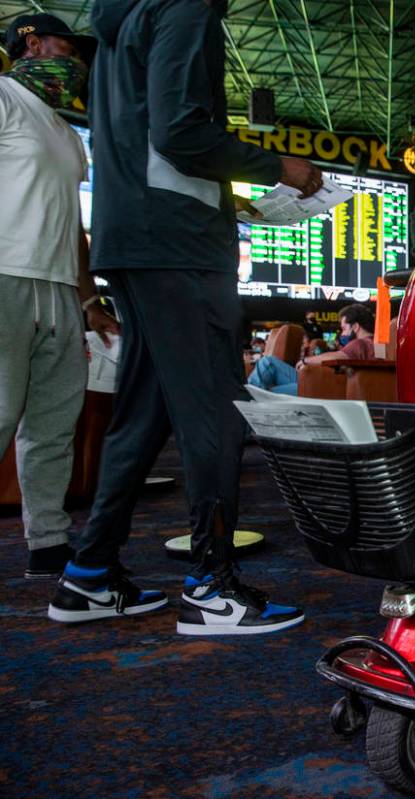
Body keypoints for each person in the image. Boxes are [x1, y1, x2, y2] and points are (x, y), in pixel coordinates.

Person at [48, 0, 323, 633]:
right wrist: (279, 167)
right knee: (217, 413)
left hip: (134, 231)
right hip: (177, 242)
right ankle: (212, 586)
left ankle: (89, 573)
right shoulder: (188, 7)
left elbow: (151, 136)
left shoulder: (121, 23)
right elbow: (179, 134)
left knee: (142, 412)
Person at [0, 14, 122, 579]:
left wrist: (89, 298)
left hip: (58, 290)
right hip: (5, 274)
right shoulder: (2, 97)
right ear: (31, 43)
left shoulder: (67, 133)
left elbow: (72, 223)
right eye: (67, 50)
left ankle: (47, 543)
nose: (75, 65)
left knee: (54, 422)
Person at [247, 303, 377, 394]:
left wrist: (306, 361)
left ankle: (247, 405)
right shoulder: (376, 344)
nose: (342, 334)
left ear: (355, 327)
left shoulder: (360, 343)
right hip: (328, 383)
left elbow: (338, 356)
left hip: (323, 386)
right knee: (267, 369)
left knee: (266, 379)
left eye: (343, 329)